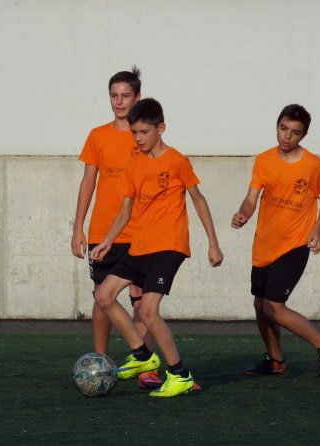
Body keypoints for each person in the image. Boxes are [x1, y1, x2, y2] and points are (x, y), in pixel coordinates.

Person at [91, 98, 223, 397]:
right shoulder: (133, 163)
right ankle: (142, 355)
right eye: (134, 133)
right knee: (104, 294)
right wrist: (107, 241)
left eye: (143, 132)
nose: (138, 138)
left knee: (148, 311)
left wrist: (213, 244)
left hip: (169, 245)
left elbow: (198, 200)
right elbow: (125, 211)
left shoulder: (177, 160)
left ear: (160, 129)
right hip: (139, 245)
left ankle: (180, 375)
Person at [231, 104, 320, 377]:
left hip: (294, 245)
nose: (286, 136)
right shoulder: (263, 160)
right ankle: (275, 360)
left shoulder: (312, 164)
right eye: (283, 129)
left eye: (294, 132)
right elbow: (251, 199)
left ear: (302, 136)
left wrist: (317, 228)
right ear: (277, 126)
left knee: (274, 307)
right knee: (260, 305)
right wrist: (242, 215)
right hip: (264, 246)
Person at [71, 67, 154, 359]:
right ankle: (101, 361)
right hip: (102, 232)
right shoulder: (97, 136)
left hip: (139, 231)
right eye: (114, 96)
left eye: (125, 96)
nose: (119, 102)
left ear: (137, 97)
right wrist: (78, 228)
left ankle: (143, 363)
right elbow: (87, 182)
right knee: (101, 298)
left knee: (142, 302)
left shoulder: (144, 136)